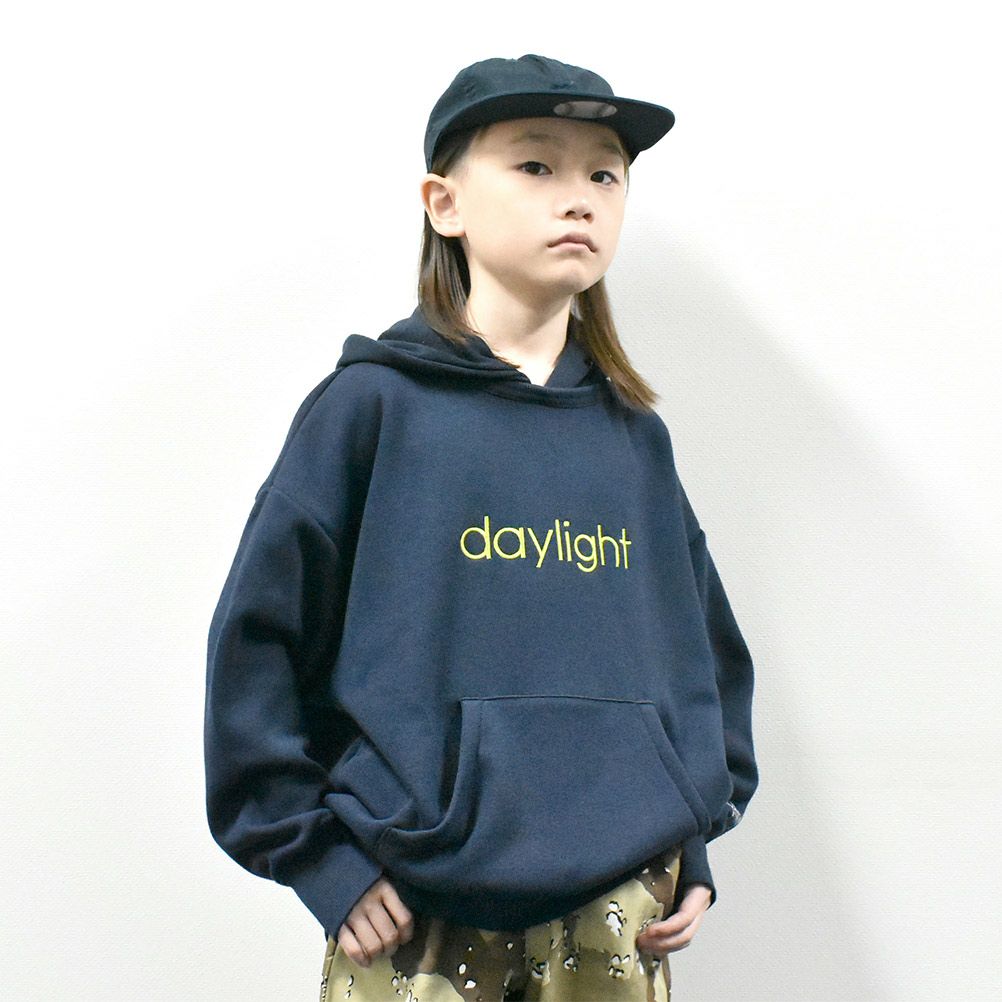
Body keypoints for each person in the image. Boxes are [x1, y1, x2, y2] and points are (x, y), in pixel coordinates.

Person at [204, 53, 759, 1002]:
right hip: (416, 907)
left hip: (620, 906)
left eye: (605, 175)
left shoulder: (634, 441)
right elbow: (258, 644)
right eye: (536, 165)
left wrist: (687, 835)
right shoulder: (371, 411)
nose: (578, 198)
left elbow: (688, 659)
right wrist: (319, 859)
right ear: (444, 203)